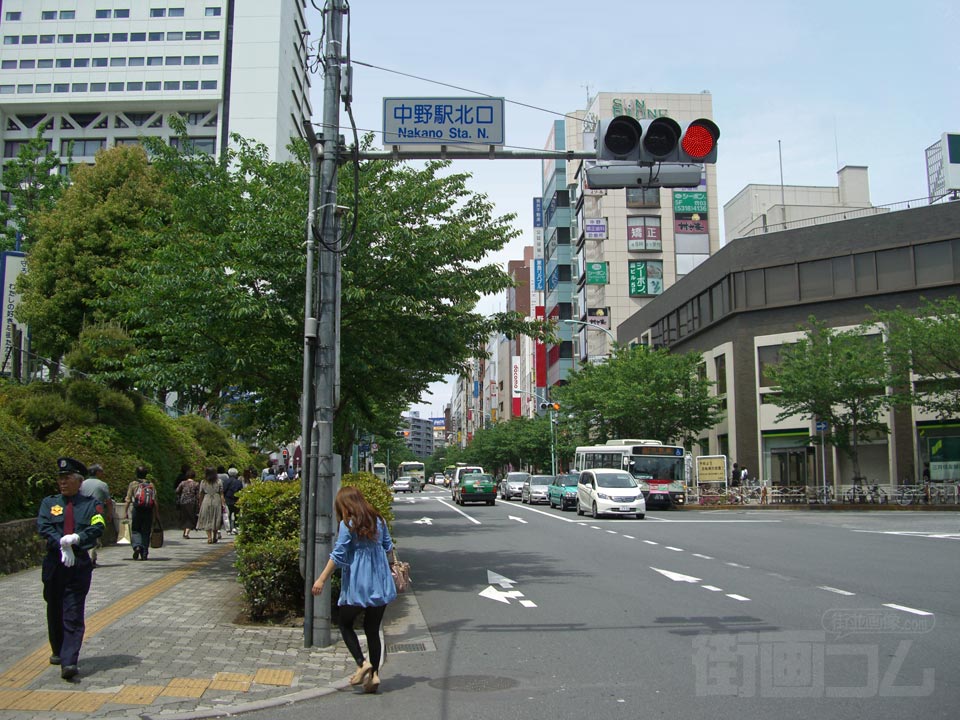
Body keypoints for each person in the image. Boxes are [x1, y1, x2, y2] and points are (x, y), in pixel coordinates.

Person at [312, 486, 397, 694]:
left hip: (360, 580)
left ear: (344, 505)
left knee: (345, 623)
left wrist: (321, 579)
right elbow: (388, 546)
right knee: (372, 629)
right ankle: (374, 675)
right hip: (380, 579)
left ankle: (362, 663)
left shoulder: (347, 524)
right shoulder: (379, 519)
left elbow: (338, 554)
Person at [37, 457, 106, 680]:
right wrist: (61, 542)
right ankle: (58, 649)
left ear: (79, 481)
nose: (62, 483)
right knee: (54, 605)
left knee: (73, 611)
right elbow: (44, 526)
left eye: (67, 478)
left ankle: (69, 661)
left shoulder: (90, 504)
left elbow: (98, 525)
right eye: (60, 479)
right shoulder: (50, 503)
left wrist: (77, 538)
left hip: (78, 564)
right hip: (54, 563)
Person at [79, 463, 112, 567]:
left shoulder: (81, 483)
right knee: (94, 532)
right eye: (101, 471)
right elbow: (108, 501)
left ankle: (89, 556)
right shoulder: (102, 484)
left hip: (82, 511)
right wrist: (110, 513)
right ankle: (91, 557)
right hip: (96, 512)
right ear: (97, 472)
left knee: (85, 531)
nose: (102, 473)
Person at [123, 466, 157, 561]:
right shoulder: (151, 485)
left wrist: (125, 512)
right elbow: (155, 501)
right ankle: (144, 553)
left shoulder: (133, 484)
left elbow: (128, 499)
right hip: (148, 511)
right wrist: (156, 515)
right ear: (146, 474)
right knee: (146, 531)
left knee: (135, 530)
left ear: (136, 473)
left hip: (137, 510)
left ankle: (137, 546)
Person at [197, 466, 224, 544]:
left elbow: (201, 494)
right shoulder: (219, 481)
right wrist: (223, 503)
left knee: (207, 518)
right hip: (216, 499)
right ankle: (214, 536)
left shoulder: (203, 482)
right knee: (216, 518)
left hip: (206, 499)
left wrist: (200, 503)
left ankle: (209, 537)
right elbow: (221, 493)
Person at [175, 468, 200, 539]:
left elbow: (177, 491)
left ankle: (184, 531)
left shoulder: (183, 483)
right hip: (192, 502)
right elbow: (198, 495)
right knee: (190, 518)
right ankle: (186, 533)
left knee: (184, 517)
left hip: (182, 502)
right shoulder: (196, 484)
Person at [223, 467, 243, 534]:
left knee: (228, 514)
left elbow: (223, 491)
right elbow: (241, 491)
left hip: (228, 499)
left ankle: (229, 529)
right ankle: (235, 527)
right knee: (236, 514)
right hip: (236, 499)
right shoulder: (239, 482)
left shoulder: (226, 481)